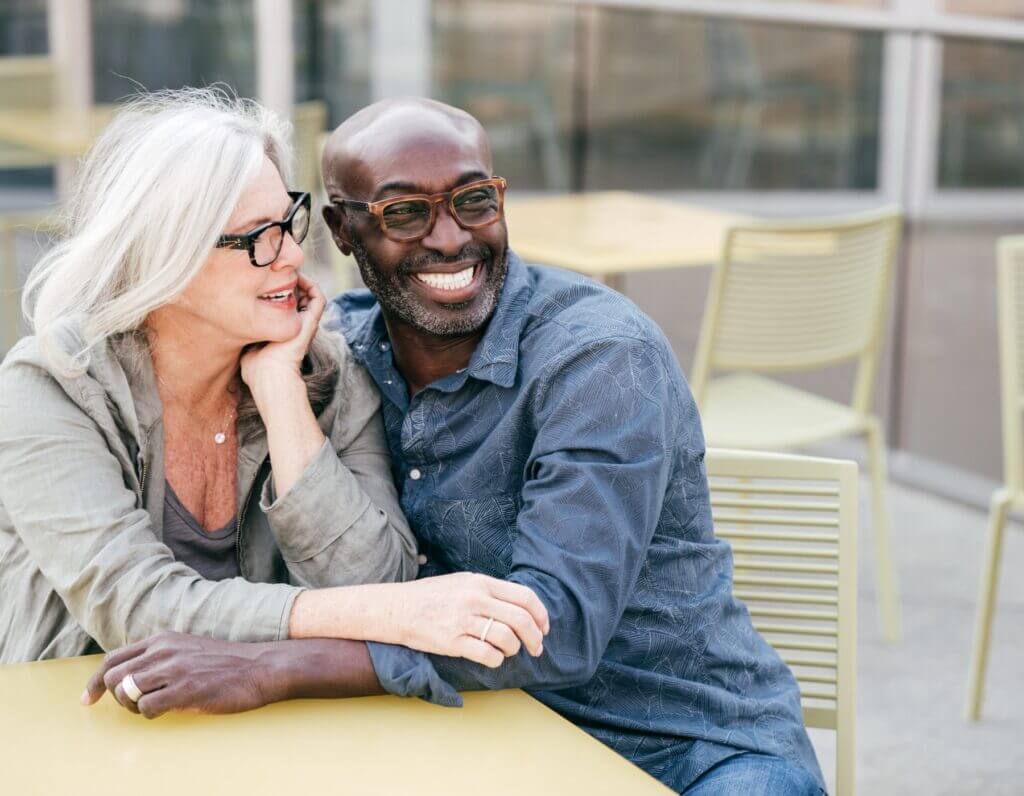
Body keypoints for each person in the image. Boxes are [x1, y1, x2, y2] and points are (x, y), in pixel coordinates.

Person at [83, 97, 824, 795]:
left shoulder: (600, 358)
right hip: (459, 743)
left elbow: (552, 631)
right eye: (405, 212)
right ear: (342, 232)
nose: (451, 238)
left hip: (685, 749)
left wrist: (274, 665)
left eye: (475, 200)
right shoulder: (336, 354)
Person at [0, 90, 549, 687]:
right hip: (70, 731)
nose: (292, 254)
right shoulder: (52, 389)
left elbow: (377, 577)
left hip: (268, 736)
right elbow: (134, 609)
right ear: (167, 259)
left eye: (288, 221)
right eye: (256, 237)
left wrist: (281, 395)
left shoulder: (327, 369)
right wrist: (396, 615)